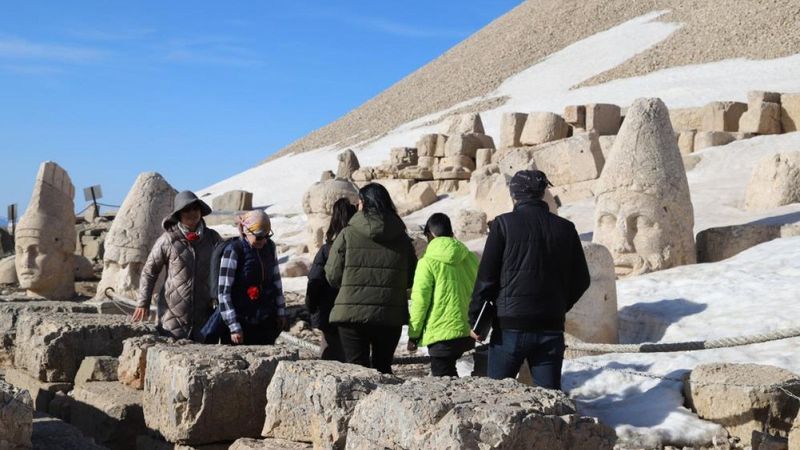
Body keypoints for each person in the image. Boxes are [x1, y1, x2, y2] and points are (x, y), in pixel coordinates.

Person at [469, 170, 590, 390]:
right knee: (550, 400)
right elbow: (582, 280)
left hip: (509, 329)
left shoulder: (503, 225)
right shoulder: (566, 228)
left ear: (514, 194)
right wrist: (560, 306)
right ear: (543, 193)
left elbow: (486, 279)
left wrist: (476, 320)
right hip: (551, 327)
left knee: (498, 397)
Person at [325, 183, 417, 374]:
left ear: (363, 203)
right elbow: (411, 278)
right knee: (383, 369)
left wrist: (351, 285)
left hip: (351, 313)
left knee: (357, 371)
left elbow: (332, 275)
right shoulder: (402, 238)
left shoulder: (347, 234)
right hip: (389, 314)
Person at [134, 191, 222, 340]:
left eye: (195, 208)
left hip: (204, 315)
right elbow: (150, 271)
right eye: (186, 210)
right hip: (172, 316)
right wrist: (143, 302)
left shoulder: (213, 238)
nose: (192, 213)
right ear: (179, 214)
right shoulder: (168, 240)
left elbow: (227, 265)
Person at [407, 213, 478, 377]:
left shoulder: (427, 262)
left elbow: (420, 301)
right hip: (467, 332)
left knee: (444, 383)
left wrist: (414, 336)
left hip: (440, 335)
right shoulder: (470, 257)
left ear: (429, 234)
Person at [217, 210, 287, 345]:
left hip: (265, 319)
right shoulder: (233, 250)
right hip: (241, 322)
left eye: (267, 235)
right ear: (246, 232)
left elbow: (276, 282)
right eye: (259, 237)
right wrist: (233, 326)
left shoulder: (270, 247)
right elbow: (224, 292)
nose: (264, 241)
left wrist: (281, 312)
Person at [305, 198, 357, 361]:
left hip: (330, 313)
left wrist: (311, 307)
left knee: (330, 358)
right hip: (356, 314)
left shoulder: (327, 250)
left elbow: (315, 280)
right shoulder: (362, 248)